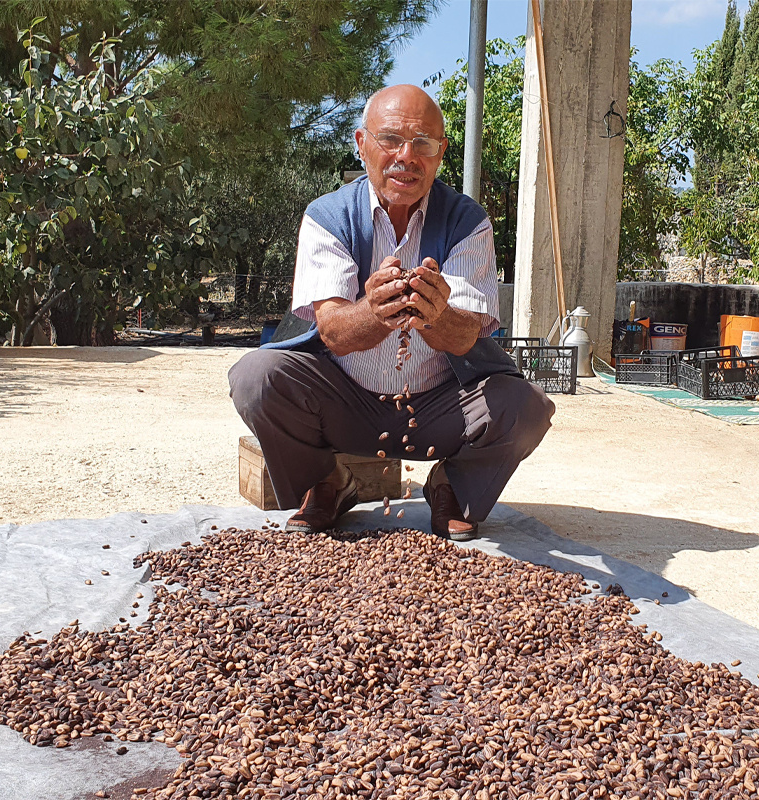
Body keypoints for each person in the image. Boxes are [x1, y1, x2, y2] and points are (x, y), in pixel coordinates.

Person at [229, 84, 554, 540]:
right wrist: (375, 311)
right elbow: (335, 332)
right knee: (256, 376)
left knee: (525, 408)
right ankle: (327, 481)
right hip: (347, 405)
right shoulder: (328, 215)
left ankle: (451, 486)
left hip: (440, 407)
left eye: (423, 143)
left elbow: (466, 337)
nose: (407, 156)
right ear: (362, 145)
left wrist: (435, 312)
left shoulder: (466, 220)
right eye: (390, 140)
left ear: (440, 153)